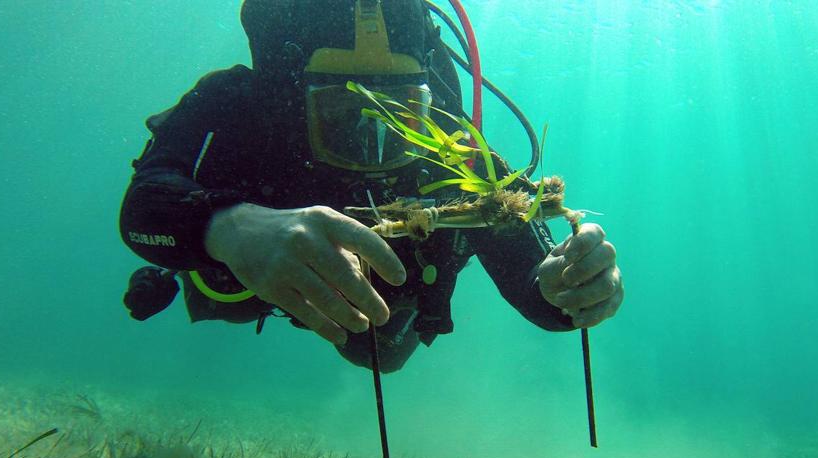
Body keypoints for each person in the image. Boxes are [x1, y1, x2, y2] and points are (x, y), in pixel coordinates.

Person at [119, 0, 623, 373]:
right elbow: (143, 205)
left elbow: (534, 282)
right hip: (244, 279)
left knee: (382, 352)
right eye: (344, 115)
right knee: (224, 297)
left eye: (403, 113)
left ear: (429, 104)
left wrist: (568, 292)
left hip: (384, 311)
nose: (374, 146)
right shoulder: (235, 105)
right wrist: (226, 226)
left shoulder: (453, 150)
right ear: (295, 102)